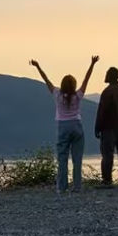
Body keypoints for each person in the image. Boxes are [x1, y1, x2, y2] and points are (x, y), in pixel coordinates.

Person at [29, 55, 99, 194]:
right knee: (77, 159)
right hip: (77, 126)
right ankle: (77, 187)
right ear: (74, 85)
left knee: (62, 159)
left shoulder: (57, 95)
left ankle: (62, 187)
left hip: (62, 127)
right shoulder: (77, 96)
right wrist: (92, 64)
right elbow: (87, 79)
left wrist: (38, 67)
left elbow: (46, 80)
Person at [95, 66, 118, 188]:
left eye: (106, 74)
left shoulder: (107, 92)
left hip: (108, 127)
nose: (105, 76)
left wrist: (97, 127)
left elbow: (102, 111)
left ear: (110, 76)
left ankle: (107, 180)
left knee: (107, 154)